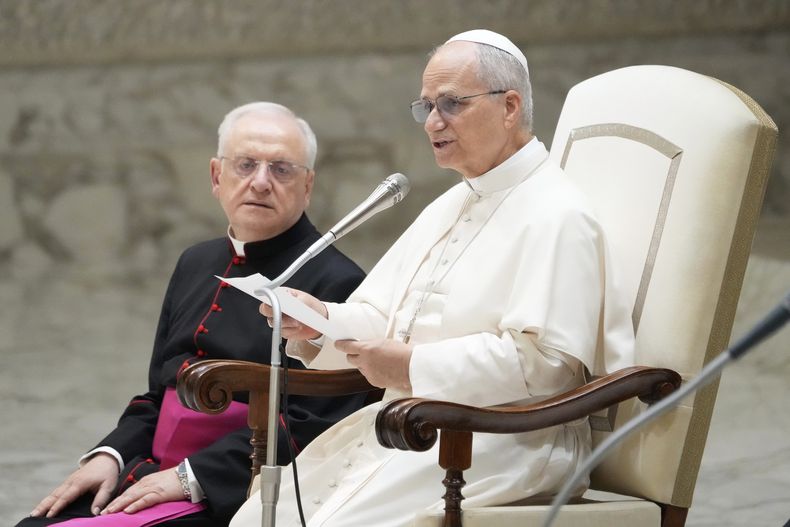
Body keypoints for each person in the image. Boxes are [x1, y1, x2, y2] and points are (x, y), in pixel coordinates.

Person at [231, 30, 635, 527]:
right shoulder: (454, 200)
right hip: (416, 426)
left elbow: (546, 364)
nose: (433, 122)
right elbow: (385, 315)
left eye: (451, 104)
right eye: (425, 107)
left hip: (503, 442)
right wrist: (321, 321)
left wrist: (412, 368)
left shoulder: (558, 215)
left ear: (509, 106)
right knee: (257, 518)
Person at [18, 102, 368, 527]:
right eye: (245, 165)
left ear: (307, 185)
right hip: (147, 470)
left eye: (281, 169)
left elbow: (320, 428)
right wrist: (110, 455)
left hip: (238, 491)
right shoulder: (195, 262)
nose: (260, 182)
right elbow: (156, 395)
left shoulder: (340, 282)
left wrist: (192, 476)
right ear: (217, 177)